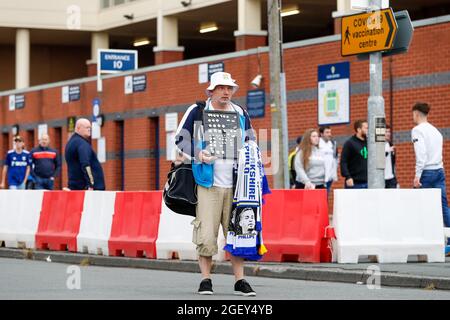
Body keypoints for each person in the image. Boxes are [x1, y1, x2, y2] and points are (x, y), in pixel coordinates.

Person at [175, 71, 257, 296]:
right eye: (221, 88)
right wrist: (198, 153)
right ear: (211, 91)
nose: (226, 92)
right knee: (206, 234)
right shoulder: (199, 110)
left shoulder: (240, 112)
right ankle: (206, 280)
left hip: (237, 185)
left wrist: (248, 154)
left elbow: (251, 139)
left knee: (237, 232)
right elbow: (180, 139)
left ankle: (240, 280)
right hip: (207, 182)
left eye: (229, 88)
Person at [411, 102, 450, 240]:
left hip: (426, 173)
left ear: (416, 113)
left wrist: (417, 175)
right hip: (439, 170)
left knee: (418, 206)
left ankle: (421, 239)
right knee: (443, 206)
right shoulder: (436, 131)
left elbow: (421, 154)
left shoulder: (417, 130)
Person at [65, 118, 105, 190]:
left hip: (75, 185)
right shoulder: (82, 144)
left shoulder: (72, 142)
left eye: (90, 127)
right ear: (78, 128)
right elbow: (85, 164)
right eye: (87, 127)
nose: (89, 129)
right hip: (88, 188)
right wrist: (91, 183)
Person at [340, 120, 368, 189]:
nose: (368, 130)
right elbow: (343, 162)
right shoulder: (350, 143)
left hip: (368, 182)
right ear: (359, 129)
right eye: (366, 128)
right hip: (354, 183)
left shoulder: (369, 143)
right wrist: (347, 176)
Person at [319, 126, 338, 193]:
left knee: (326, 196)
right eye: (327, 132)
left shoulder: (332, 144)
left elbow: (335, 159)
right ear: (321, 134)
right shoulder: (317, 144)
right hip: (319, 177)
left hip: (329, 176)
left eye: (330, 132)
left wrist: (333, 175)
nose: (329, 134)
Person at [384, 124, 398, 189]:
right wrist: (387, 151)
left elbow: (393, 163)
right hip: (382, 178)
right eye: (386, 132)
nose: (388, 134)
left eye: (389, 132)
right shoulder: (378, 145)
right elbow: (378, 159)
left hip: (391, 178)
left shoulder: (390, 144)